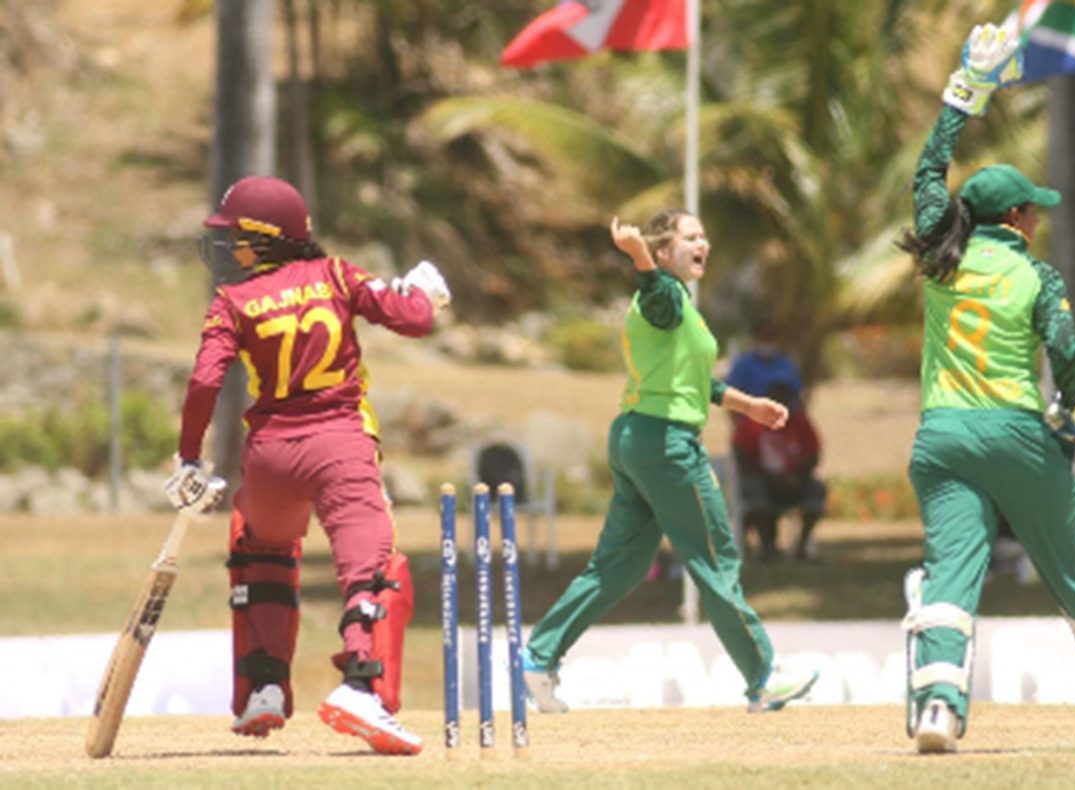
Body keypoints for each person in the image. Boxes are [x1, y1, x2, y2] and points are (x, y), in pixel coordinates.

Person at [896, 23, 1075, 754]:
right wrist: (1074, 407)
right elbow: (1069, 351)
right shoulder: (1036, 276)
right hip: (1015, 436)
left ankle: (937, 706)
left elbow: (927, 176)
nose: (1040, 216)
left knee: (951, 573)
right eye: (1035, 209)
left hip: (940, 439)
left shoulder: (942, 252)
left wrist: (966, 91)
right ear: (1018, 219)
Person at [163, 175, 451, 755]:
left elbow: (204, 381)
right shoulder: (338, 274)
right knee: (372, 568)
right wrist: (424, 293)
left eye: (238, 237)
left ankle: (262, 687)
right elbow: (413, 320)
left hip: (269, 456)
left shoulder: (233, 300)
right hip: (339, 443)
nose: (230, 248)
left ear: (267, 241)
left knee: (261, 551)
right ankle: (362, 687)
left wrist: (189, 457)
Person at [521, 210, 819, 714]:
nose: (703, 243)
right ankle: (763, 676)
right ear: (663, 253)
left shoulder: (681, 304)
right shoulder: (663, 295)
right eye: (690, 237)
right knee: (715, 557)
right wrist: (637, 254)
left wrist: (748, 406)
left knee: (620, 565)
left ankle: (538, 656)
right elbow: (656, 294)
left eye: (705, 236)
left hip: (637, 438)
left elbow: (692, 379)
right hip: (666, 445)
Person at [731, 379, 826, 562]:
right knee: (754, 489)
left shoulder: (800, 423)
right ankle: (767, 547)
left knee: (816, 489)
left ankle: (802, 547)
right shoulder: (751, 424)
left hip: (794, 481)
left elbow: (814, 455)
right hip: (762, 479)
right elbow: (741, 456)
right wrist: (770, 477)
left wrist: (796, 476)